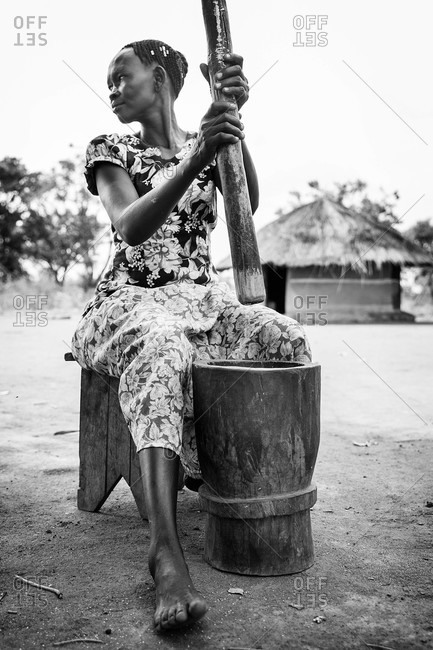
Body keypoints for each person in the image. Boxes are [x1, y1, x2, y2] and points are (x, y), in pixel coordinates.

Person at [71, 39, 311, 633]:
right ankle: (166, 550)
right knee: (160, 347)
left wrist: (229, 122)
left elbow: (245, 203)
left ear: (159, 78)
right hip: (131, 300)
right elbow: (131, 226)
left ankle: (255, 503)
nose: (112, 89)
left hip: (203, 301)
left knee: (284, 339)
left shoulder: (200, 141)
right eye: (109, 81)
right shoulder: (111, 150)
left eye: (121, 76)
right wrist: (198, 153)